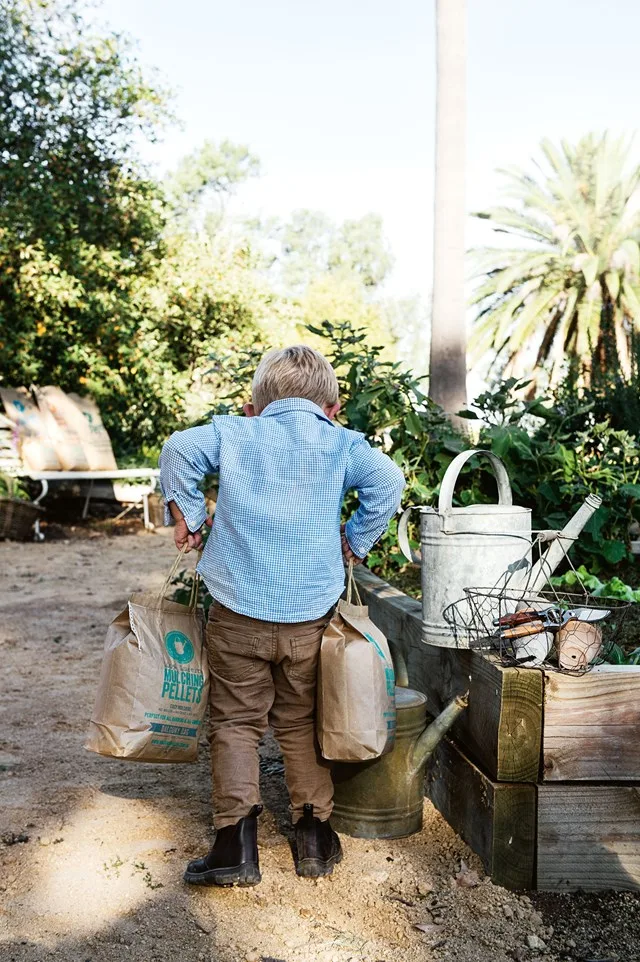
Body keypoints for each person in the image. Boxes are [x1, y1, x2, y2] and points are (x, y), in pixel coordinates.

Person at [159, 345, 405, 887]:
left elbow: (178, 449)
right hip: (309, 618)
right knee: (300, 721)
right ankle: (314, 837)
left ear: (253, 407)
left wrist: (190, 517)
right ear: (333, 409)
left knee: (235, 722)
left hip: (236, 612)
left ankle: (234, 845)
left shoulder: (234, 432)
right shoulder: (342, 442)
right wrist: (355, 538)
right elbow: (389, 482)